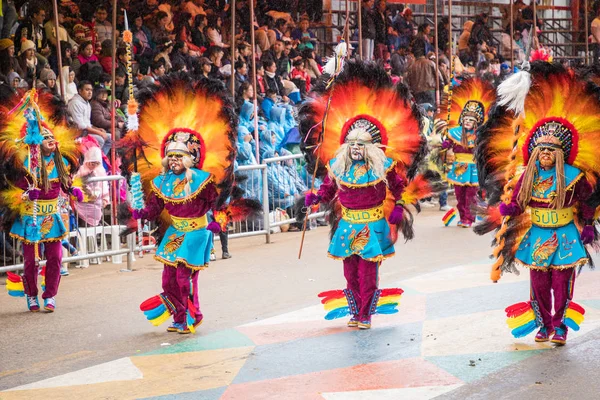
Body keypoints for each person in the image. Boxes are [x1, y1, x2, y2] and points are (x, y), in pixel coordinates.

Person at [476, 63, 600, 345]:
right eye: (540, 151)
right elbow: (519, 202)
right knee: (539, 285)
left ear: (560, 154)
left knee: (561, 284)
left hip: (566, 235)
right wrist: (507, 210)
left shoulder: (574, 177)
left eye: (550, 151)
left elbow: (588, 199)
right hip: (538, 234)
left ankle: (560, 326)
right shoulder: (527, 177)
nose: (544, 155)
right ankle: (543, 325)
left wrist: (589, 225)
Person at [301, 61, 427, 329]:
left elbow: (398, 188)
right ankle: (355, 310)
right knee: (350, 274)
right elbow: (328, 189)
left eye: (361, 144)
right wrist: (315, 198)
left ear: (372, 147)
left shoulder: (385, 168)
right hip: (347, 225)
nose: (356, 148)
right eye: (352, 144)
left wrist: (398, 207)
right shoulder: (338, 167)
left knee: (368, 273)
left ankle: (366, 313)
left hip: (372, 225)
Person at [130, 77, 236, 334]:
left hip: (197, 234)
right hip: (175, 233)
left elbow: (219, 203)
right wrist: (140, 213)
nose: (175, 160)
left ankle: (191, 315)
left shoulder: (203, 181)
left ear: (189, 160)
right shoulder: (163, 181)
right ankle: (179, 317)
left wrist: (217, 221)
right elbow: (155, 208)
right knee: (168, 278)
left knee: (183, 277)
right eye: (172, 156)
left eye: (180, 156)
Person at [1, 91, 83, 312]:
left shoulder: (62, 161)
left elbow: (65, 183)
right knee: (30, 261)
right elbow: (12, 191)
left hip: (52, 217)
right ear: (35, 141)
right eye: (45, 138)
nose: (51, 141)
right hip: (30, 218)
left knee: (56, 258)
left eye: (51, 137)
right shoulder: (24, 163)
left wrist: (73, 190)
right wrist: (28, 195)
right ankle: (31, 295)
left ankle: (50, 295)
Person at [442, 79, 495, 227]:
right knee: (459, 195)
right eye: (465, 119)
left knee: (470, 195)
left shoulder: (479, 135)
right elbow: (447, 145)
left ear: (476, 122)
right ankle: (462, 216)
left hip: (473, 168)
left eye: (470, 120)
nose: (467, 122)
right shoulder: (454, 133)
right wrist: (445, 144)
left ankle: (468, 219)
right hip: (458, 167)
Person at [67, 80, 111, 154]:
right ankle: (94, 160)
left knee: (110, 138)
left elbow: (88, 123)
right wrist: (99, 133)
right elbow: (81, 126)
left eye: (91, 90)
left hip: (86, 131)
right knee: (100, 139)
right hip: (78, 134)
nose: (90, 92)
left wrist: (98, 129)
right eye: (87, 90)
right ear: (80, 91)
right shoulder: (75, 103)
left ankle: (101, 159)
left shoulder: (86, 103)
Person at [74, 146, 109, 227]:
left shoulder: (100, 171)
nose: (93, 165)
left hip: (96, 203)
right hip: (82, 203)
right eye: (92, 163)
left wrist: (105, 198)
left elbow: (104, 185)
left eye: (96, 163)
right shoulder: (80, 170)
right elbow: (76, 183)